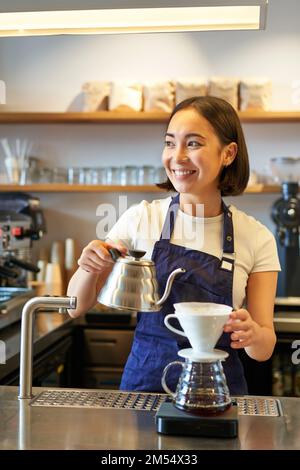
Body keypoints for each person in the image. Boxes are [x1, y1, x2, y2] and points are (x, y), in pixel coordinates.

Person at [67, 96, 280, 395]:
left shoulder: (256, 237)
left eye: (193, 144)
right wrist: (89, 267)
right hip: (144, 393)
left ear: (228, 153)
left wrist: (253, 333)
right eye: (170, 143)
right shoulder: (140, 219)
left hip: (218, 396)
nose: (177, 156)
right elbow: (75, 307)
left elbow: (264, 348)